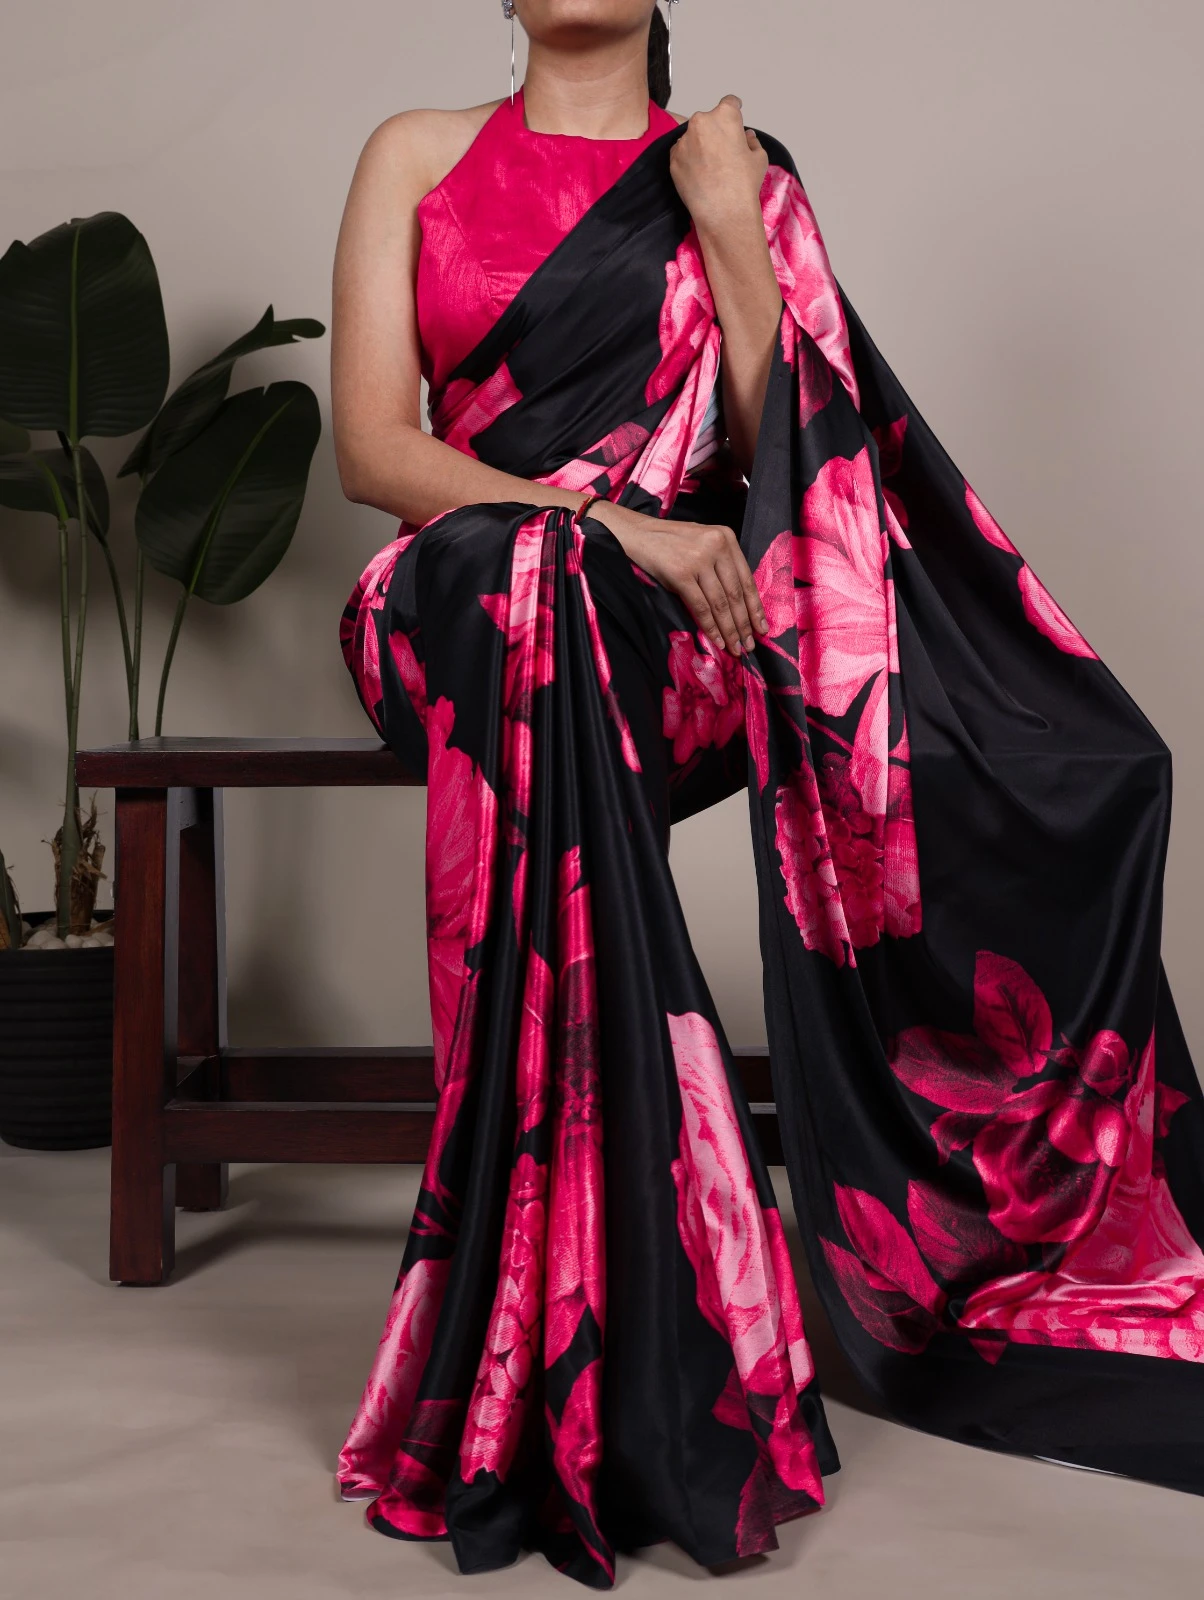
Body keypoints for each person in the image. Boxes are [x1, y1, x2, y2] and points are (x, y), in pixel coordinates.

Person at [331, 0, 1204, 1585]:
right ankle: (626, 1317)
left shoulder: (739, 171)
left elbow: (779, 459)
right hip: (448, 605)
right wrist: (597, 525)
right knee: (527, 581)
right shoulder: (416, 155)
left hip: (676, 629)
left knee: (568, 610)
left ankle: (540, 1334)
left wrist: (733, 229)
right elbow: (377, 454)